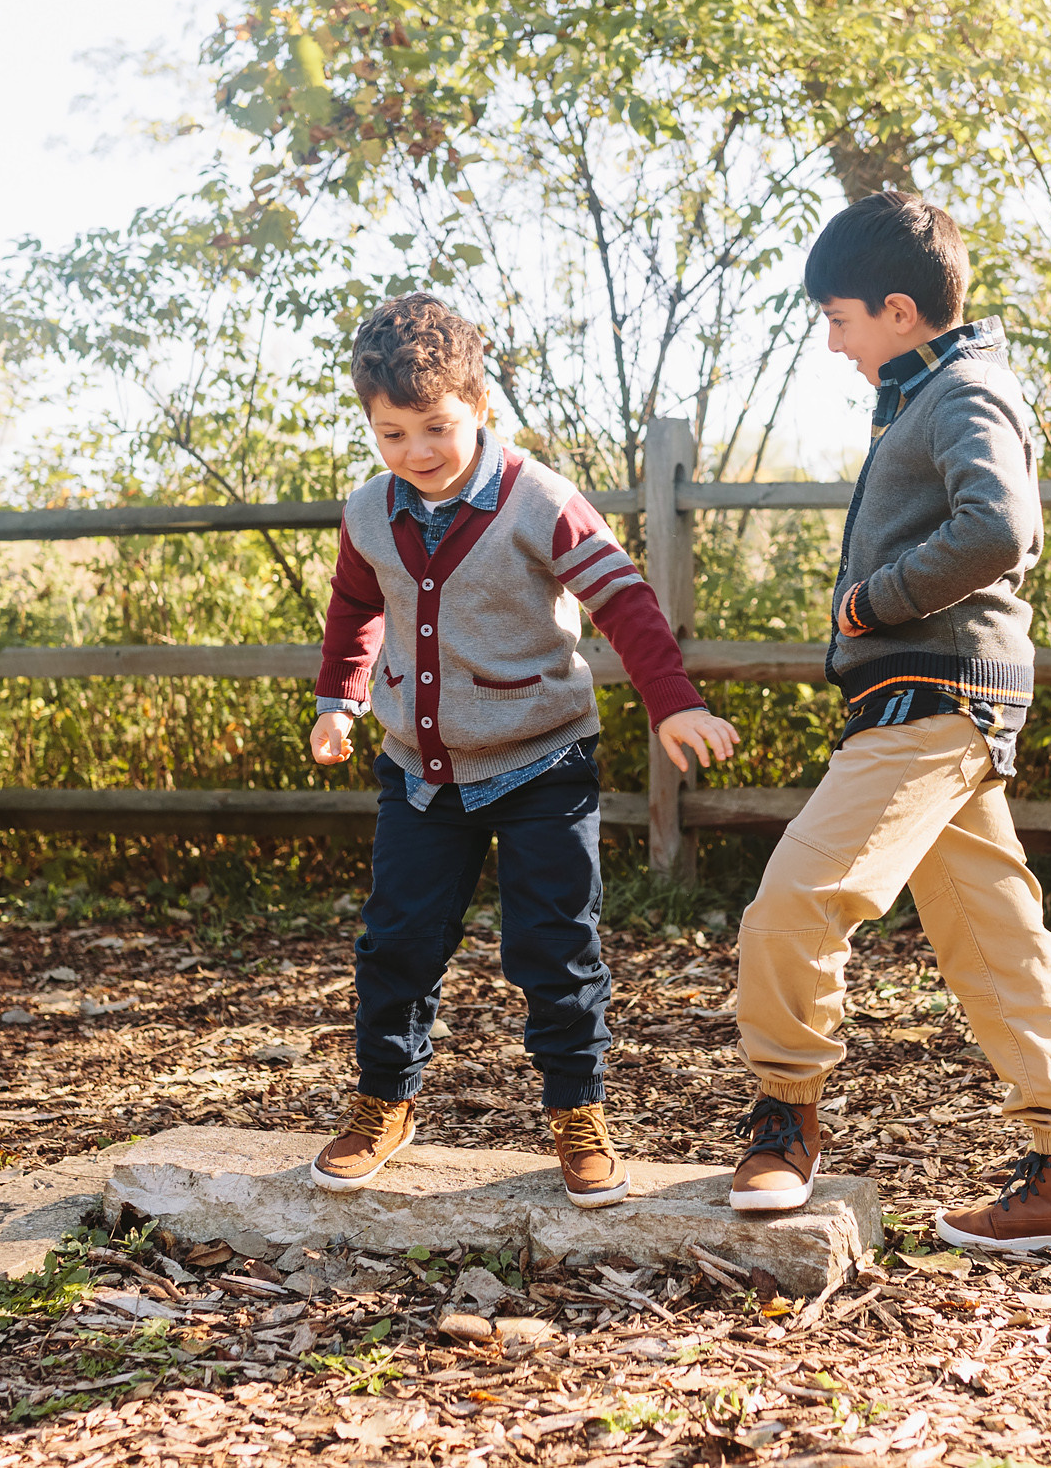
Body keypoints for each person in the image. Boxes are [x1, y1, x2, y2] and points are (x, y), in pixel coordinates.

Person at [724, 191, 1051, 1253]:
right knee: (994, 937)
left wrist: (876, 600)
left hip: (934, 694)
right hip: (933, 700)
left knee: (795, 900)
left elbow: (1001, 526)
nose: (831, 340)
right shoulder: (925, 392)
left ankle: (783, 1116)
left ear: (899, 310)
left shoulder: (961, 389)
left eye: (839, 317)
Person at [308, 293, 740, 1207]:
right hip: (419, 774)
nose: (417, 451)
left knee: (556, 944)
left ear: (482, 409)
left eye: (437, 427)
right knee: (396, 942)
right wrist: (341, 701)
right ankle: (384, 1098)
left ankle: (577, 1116)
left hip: (543, 761)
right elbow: (356, 607)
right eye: (392, 433)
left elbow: (622, 599)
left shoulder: (537, 499)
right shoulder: (370, 511)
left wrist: (671, 702)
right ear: (369, 428)